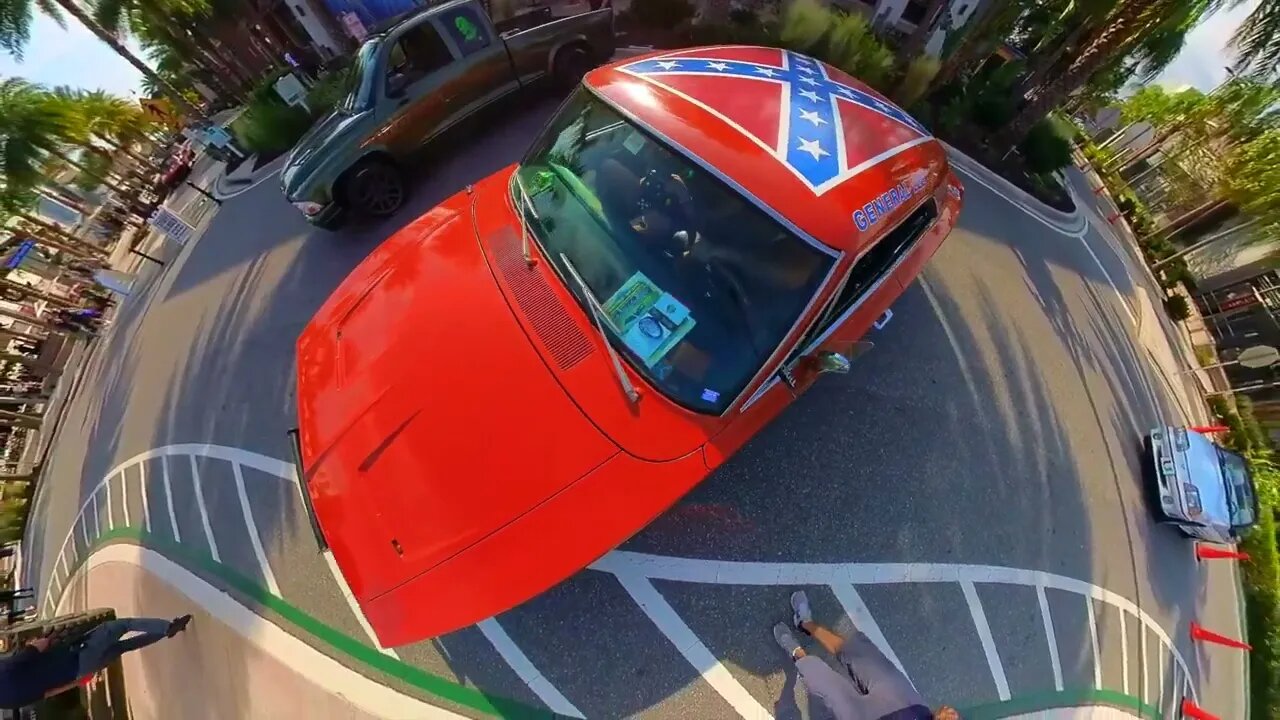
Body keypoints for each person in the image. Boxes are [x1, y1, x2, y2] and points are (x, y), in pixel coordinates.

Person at [773, 591, 958, 720]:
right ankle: (805, 623)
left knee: (826, 685)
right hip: (910, 707)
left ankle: (796, 652)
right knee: (856, 653)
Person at [0, 614, 192, 709]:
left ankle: (165, 632)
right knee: (121, 626)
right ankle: (168, 627)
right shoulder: (5, 670)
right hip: (76, 654)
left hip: (80, 671)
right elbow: (39, 646)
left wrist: (79, 682)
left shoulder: (7, 702)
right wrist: (39, 642)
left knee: (124, 647)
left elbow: (49, 693)